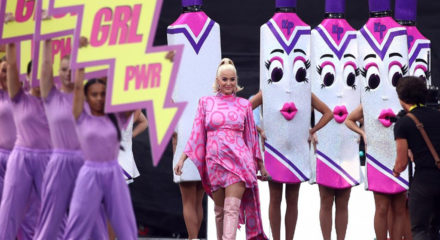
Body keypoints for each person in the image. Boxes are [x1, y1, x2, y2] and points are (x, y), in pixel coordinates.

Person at [174, 58, 269, 240]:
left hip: (239, 163)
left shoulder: (244, 105)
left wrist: (260, 165)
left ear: (236, 81)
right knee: (220, 212)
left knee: (232, 209)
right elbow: (196, 134)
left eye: (232, 79)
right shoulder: (206, 103)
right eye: (224, 79)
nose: (228, 83)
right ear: (218, 81)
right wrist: (182, 159)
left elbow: (251, 138)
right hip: (215, 164)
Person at [34, 39, 107, 239]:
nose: (68, 73)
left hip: (86, 162)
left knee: (94, 218)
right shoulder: (51, 95)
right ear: (59, 72)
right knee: (50, 218)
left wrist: (86, 49)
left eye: (72, 69)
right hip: (58, 163)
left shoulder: (89, 98)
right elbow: (46, 66)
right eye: (64, 69)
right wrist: (47, 41)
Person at [250, 88, 332, 240]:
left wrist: (312, 130)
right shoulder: (268, 90)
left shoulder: (303, 90)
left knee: (292, 199)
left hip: (296, 151)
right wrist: (260, 130)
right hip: (274, 149)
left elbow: (328, 113)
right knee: (275, 198)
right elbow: (244, 110)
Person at [0, 42, 51, 240]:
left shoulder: (24, 94)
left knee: (31, 213)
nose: (5, 74)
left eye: (7, 70)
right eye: (2, 70)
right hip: (2, 157)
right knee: (6, 210)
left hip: (25, 157)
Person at [346, 104, 409, 240]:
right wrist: (363, 133)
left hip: (398, 154)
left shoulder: (403, 100)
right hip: (377, 159)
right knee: (381, 208)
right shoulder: (370, 101)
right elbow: (349, 119)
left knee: (399, 208)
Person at [392, 76, 440, 240]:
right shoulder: (437, 115)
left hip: (423, 182)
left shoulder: (403, 123)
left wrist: (395, 171)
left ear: (401, 98)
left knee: (420, 230)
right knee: (435, 230)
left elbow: (401, 163)